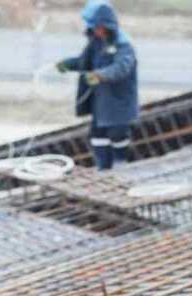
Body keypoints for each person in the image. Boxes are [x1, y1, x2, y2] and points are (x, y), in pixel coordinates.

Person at [56, 0, 138, 171]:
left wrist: (100, 75)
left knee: (117, 135)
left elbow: (121, 68)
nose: (95, 30)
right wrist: (68, 64)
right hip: (100, 101)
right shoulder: (95, 43)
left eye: (97, 26)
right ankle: (102, 168)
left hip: (118, 102)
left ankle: (120, 166)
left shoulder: (123, 45)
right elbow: (85, 62)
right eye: (93, 27)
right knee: (97, 136)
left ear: (107, 25)